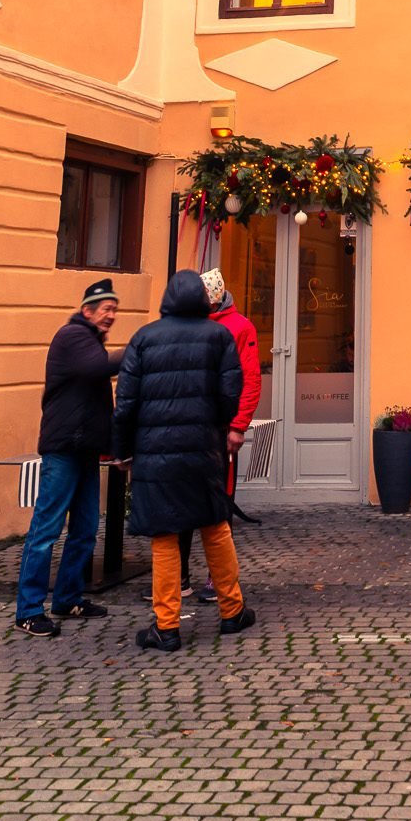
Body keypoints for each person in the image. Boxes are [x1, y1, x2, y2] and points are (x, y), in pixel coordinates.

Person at [112, 268, 254, 653]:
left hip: (155, 455)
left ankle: (167, 626)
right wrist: (220, 428)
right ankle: (232, 610)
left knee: (164, 537)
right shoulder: (218, 336)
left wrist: (122, 451)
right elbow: (231, 392)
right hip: (204, 451)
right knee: (215, 528)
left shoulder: (144, 338)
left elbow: (125, 403)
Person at [14, 277, 123, 637]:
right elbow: (99, 367)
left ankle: (67, 598)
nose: (111, 315)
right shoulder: (73, 336)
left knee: (85, 529)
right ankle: (28, 610)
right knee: (46, 529)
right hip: (64, 450)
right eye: (106, 309)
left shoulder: (89, 341)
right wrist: (141, 347)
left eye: (114, 310)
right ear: (87, 311)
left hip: (85, 450)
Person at [179, 267, 262, 605]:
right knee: (183, 500)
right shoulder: (190, 324)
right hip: (189, 427)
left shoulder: (240, 327)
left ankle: (218, 579)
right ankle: (180, 577)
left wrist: (239, 425)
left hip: (220, 430)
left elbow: (251, 378)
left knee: (220, 501)